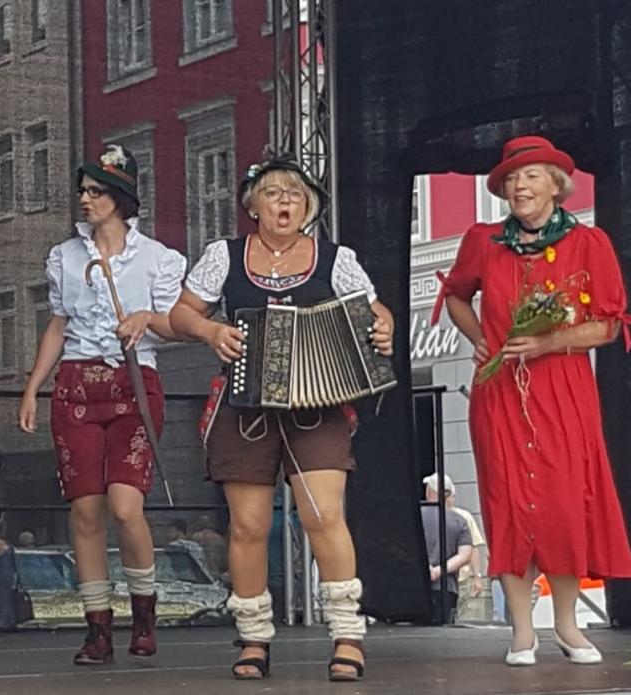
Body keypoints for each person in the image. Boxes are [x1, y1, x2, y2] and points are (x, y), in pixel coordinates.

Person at [169, 152, 394, 681]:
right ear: (254, 206)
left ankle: (347, 634)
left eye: (295, 194)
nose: (284, 202)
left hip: (318, 404)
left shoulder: (334, 259)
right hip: (245, 405)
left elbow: (374, 312)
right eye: (273, 194)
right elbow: (181, 313)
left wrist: (382, 327)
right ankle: (253, 636)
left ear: (308, 207)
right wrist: (210, 330)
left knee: (323, 516)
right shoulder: (225, 256)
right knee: (249, 525)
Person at [433, 135, 631, 666]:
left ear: (555, 185)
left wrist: (548, 343)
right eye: (511, 179)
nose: (519, 186)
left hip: (563, 390)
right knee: (506, 502)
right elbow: (455, 295)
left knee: (564, 505)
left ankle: (567, 625)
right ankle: (521, 631)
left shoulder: (588, 243)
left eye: (530, 176)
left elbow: (608, 325)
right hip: (500, 389)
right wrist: (479, 337)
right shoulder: (483, 240)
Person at [18, 144, 186, 665]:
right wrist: (33, 387)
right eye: (83, 191)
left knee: (125, 505)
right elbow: (59, 325)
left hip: (133, 384)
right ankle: (97, 628)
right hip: (75, 385)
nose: (85, 199)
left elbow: (177, 325)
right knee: (85, 510)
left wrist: (145, 319)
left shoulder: (158, 258)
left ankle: (144, 612)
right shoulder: (66, 256)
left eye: (96, 191)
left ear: (120, 198)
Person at [419, 474, 472, 624]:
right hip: (446, 587)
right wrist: (438, 570)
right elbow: (465, 554)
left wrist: (424, 568)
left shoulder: (414, 517)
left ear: (429, 492)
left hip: (414, 587)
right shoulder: (459, 521)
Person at [447, 488, 487, 620]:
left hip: (461, 579)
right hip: (440, 578)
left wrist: (477, 576)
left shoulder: (464, 517)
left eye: (450, 496)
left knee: (461, 615)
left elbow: (473, 548)